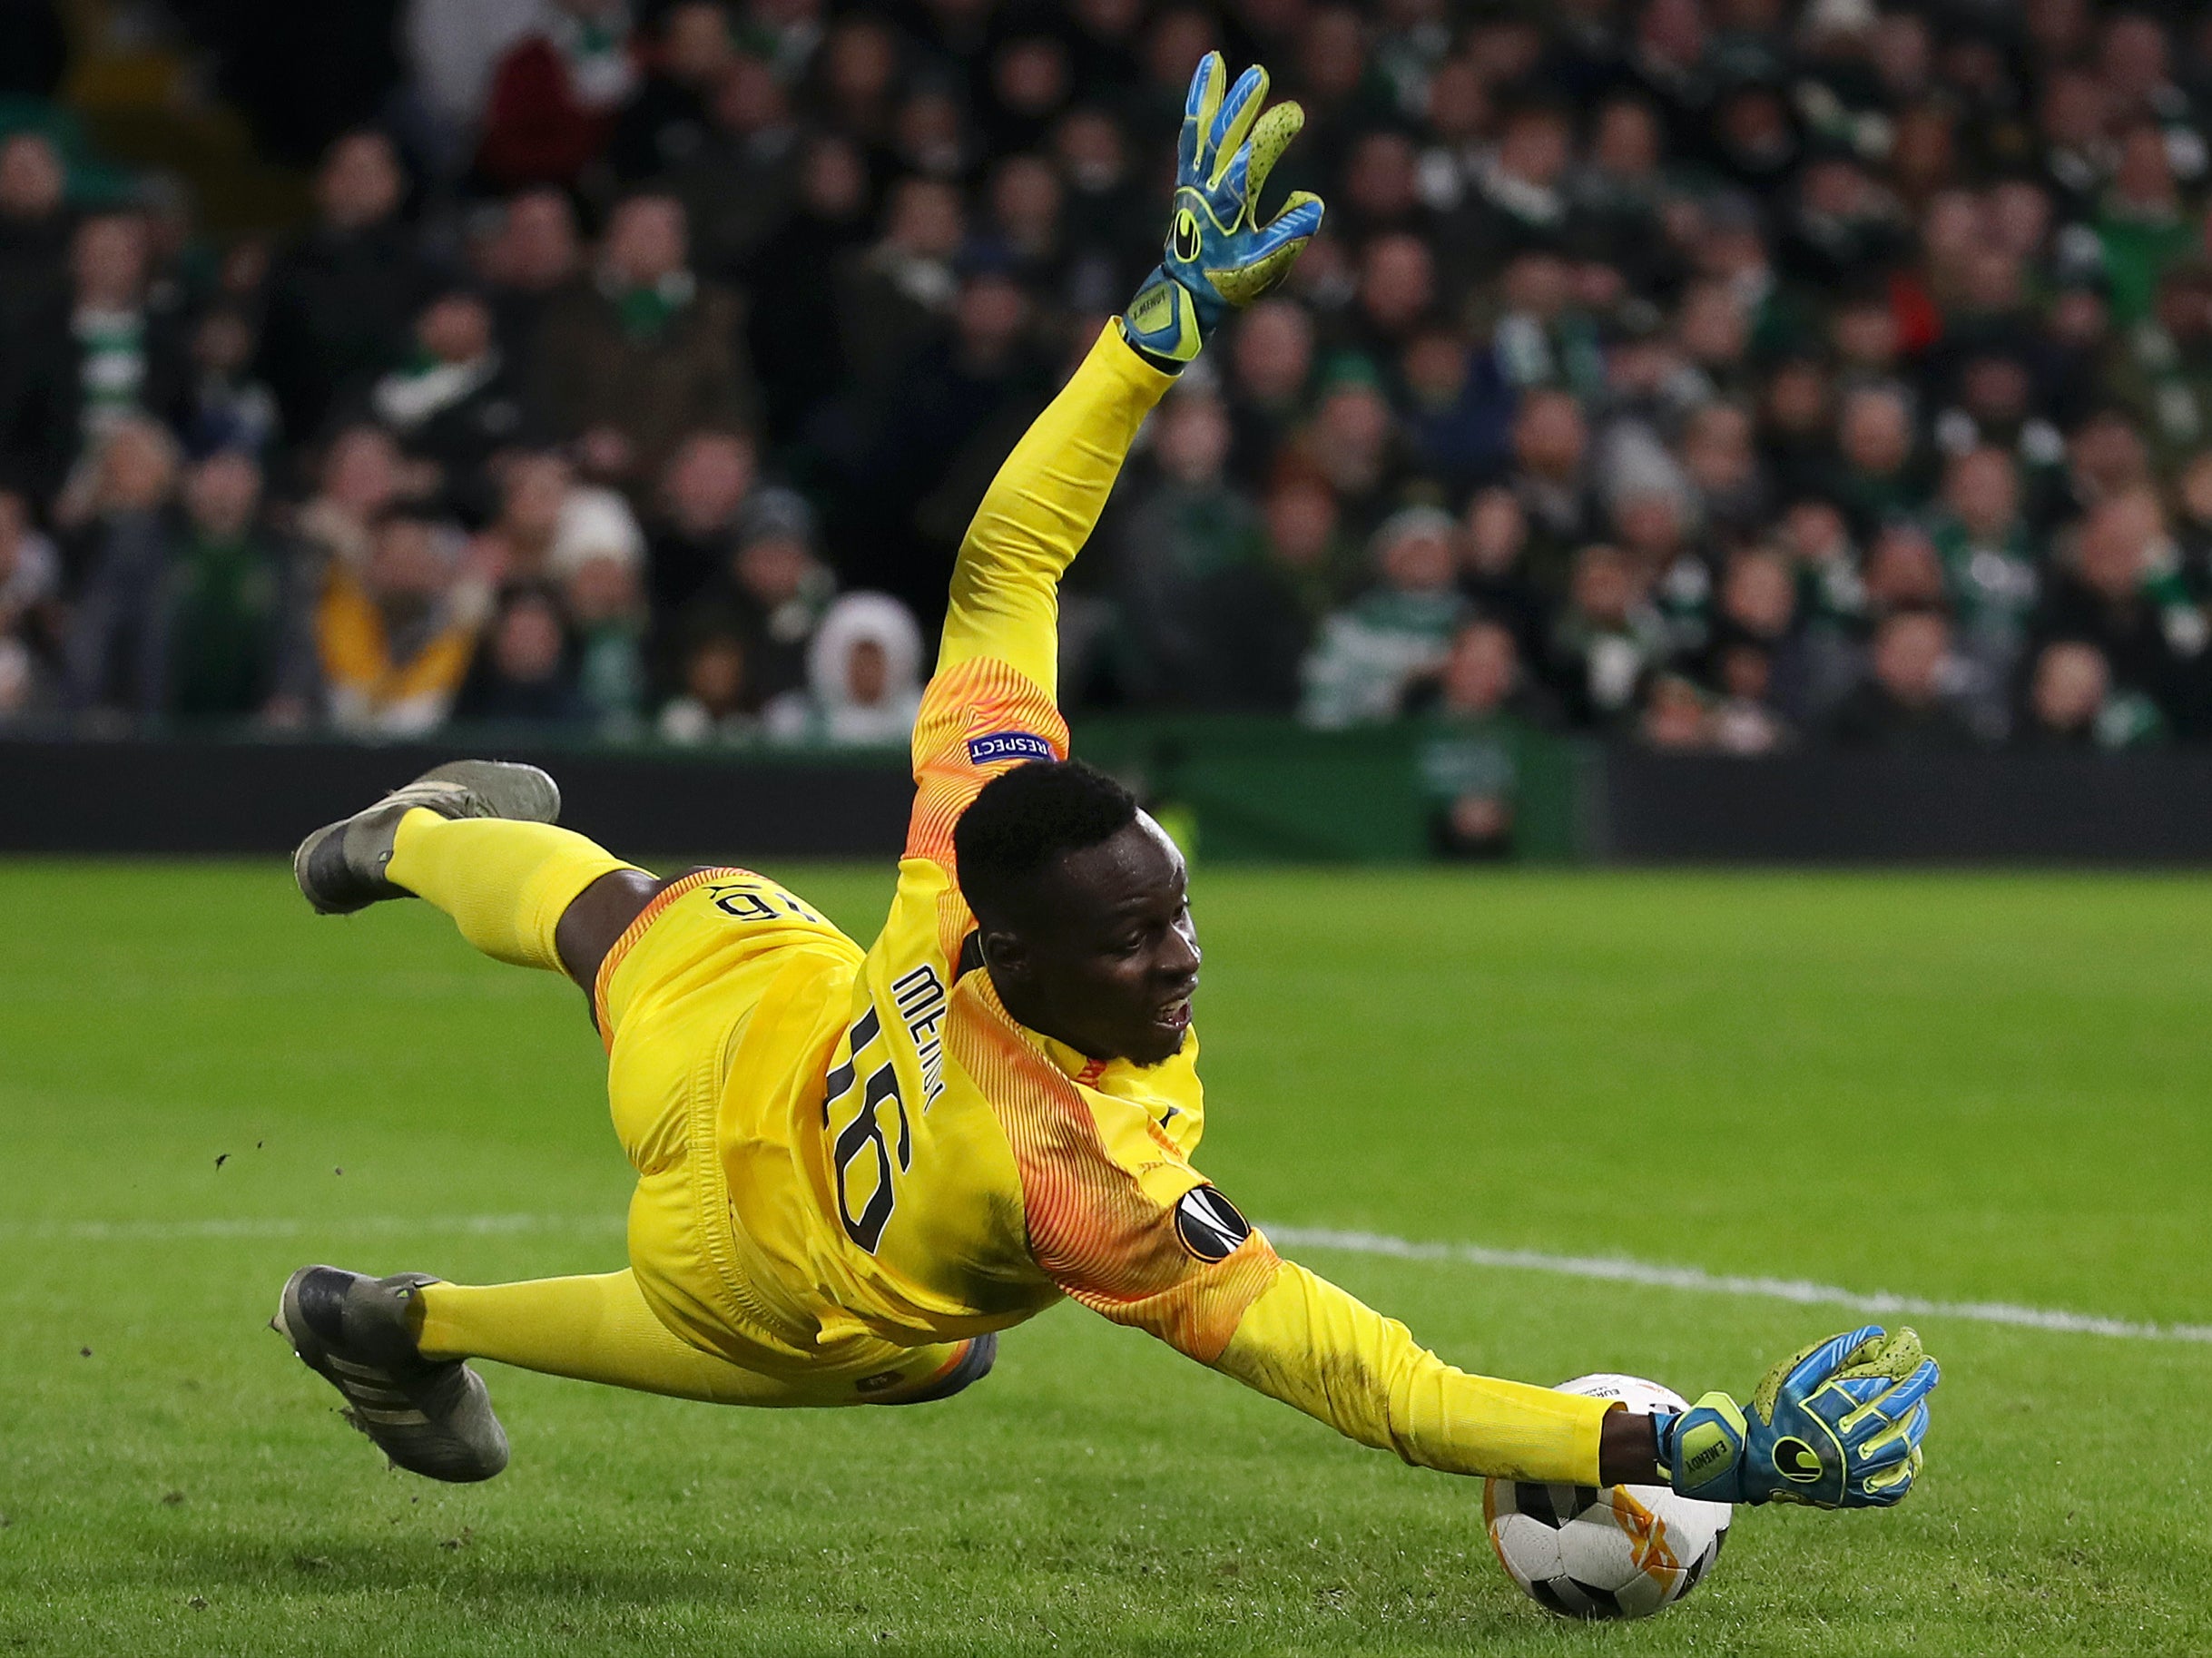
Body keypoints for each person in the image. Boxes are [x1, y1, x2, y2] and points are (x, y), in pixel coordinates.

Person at [274, 57, 1934, 1516]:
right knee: (947, 1365)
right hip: (770, 1278)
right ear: (1016, 954)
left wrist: (1153, 339)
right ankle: (402, 1324)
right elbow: (1391, 1390)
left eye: (1174, 906)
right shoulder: (1086, 1181)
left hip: (773, 1034)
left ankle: (411, 841)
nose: (1180, 956)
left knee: (633, 910)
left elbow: (1004, 567)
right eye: (1134, 942)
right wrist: (1696, 1452)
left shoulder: (971, 835)